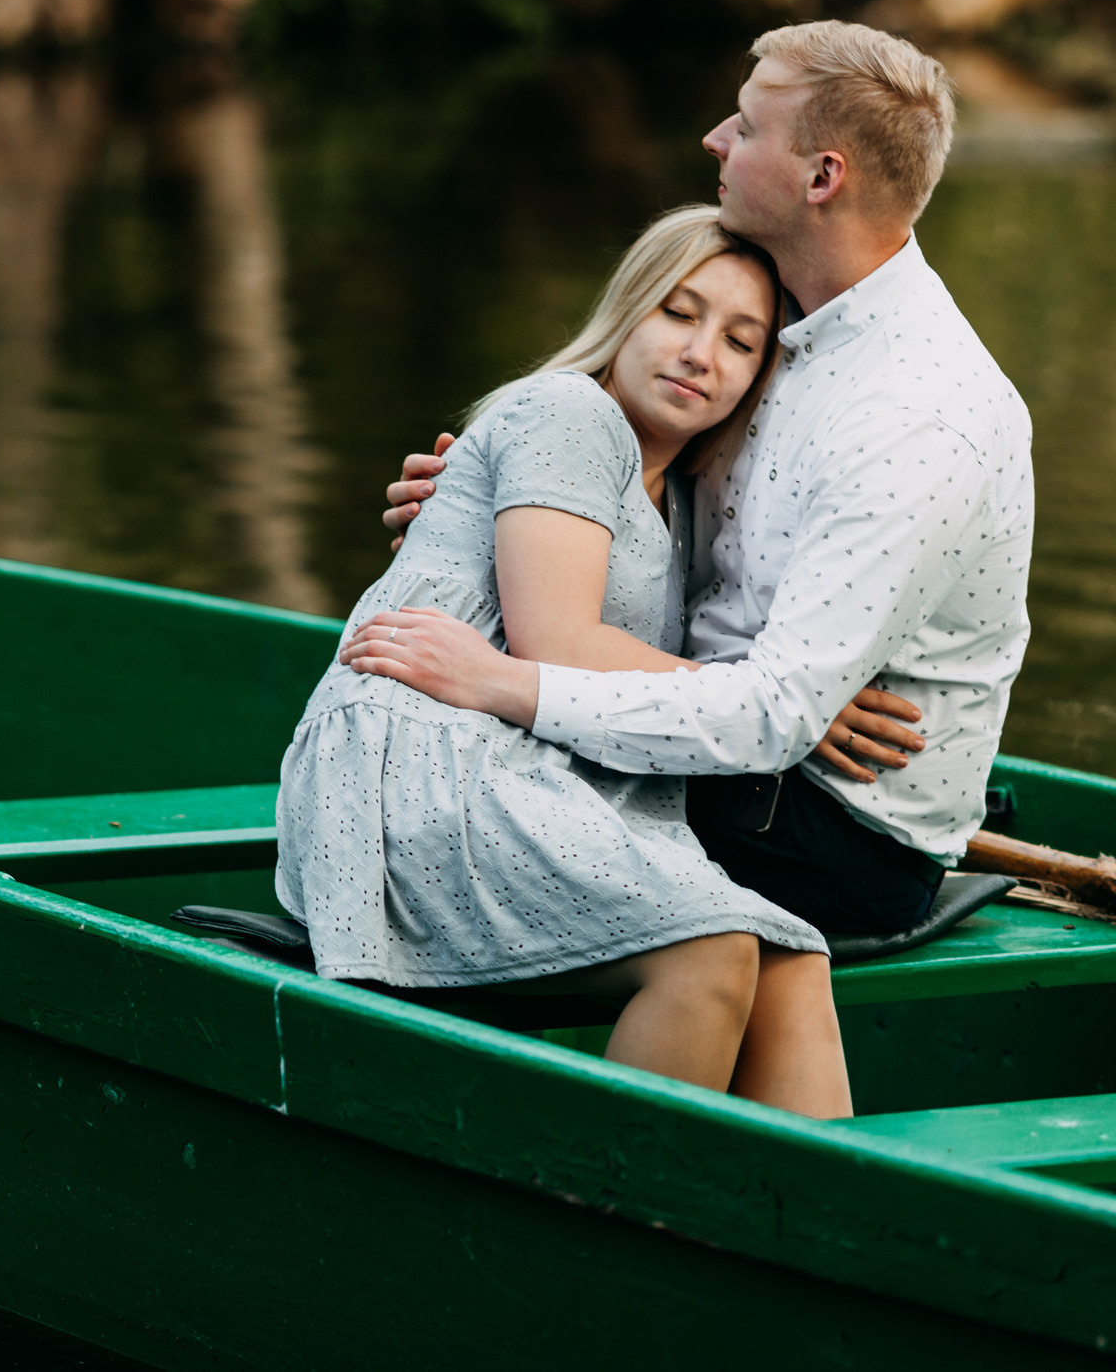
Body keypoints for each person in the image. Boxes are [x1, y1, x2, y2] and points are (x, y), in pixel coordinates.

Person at [370, 20, 1033, 942]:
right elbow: (635, 496)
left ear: (821, 178)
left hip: (810, 826)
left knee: (458, 800)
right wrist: (489, 513)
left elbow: (771, 715)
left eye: (747, 126)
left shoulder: (914, 415)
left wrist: (506, 682)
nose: (715, 141)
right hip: (728, 744)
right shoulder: (776, 313)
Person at [279, 204, 852, 1119]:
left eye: (741, 342)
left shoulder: (689, 502)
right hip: (425, 751)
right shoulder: (569, 411)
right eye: (678, 312)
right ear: (626, 311)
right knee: (710, 951)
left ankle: (827, 1248)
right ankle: (606, 1231)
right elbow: (562, 644)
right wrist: (780, 702)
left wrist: (807, 688)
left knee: (791, 958)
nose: (702, 353)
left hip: (527, 762)